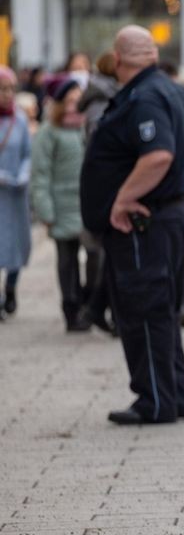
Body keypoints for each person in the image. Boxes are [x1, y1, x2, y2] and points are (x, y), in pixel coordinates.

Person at [79, 25, 184, 425]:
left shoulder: (145, 97)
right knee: (163, 309)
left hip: (142, 222)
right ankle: (177, 395)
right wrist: (176, 184)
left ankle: (154, 400)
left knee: (143, 310)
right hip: (167, 215)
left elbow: (158, 155)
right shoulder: (172, 90)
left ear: (118, 60)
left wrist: (123, 198)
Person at [30, 76, 97, 332]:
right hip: (61, 203)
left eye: (76, 101)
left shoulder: (86, 127)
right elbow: (41, 173)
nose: (72, 107)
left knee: (94, 254)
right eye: (68, 101)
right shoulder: (49, 131)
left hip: (86, 203)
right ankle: (71, 308)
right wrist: (44, 208)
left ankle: (89, 299)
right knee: (67, 259)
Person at [76, 52, 120, 335]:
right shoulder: (101, 104)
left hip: (108, 186)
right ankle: (97, 308)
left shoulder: (107, 99)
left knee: (112, 254)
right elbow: (99, 150)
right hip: (106, 188)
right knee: (109, 254)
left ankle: (97, 308)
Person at [0, 65, 33, 321]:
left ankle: (11, 286)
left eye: (11, 88)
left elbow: (27, 154)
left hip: (15, 194)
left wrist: (22, 174)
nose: (7, 94)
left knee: (15, 244)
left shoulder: (19, 119)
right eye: (2, 89)